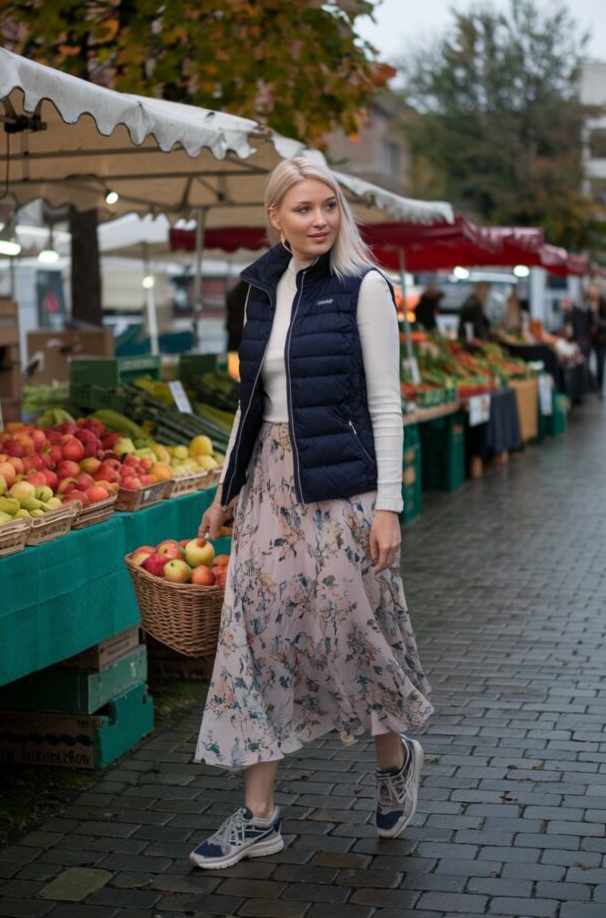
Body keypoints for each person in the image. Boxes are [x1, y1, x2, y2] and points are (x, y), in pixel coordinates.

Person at [189, 157, 433, 871]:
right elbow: (250, 403)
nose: (321, 219)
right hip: (268, 485)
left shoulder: (366, 287)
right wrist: (224, 491)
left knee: (357, 628)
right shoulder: (262, 289)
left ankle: (394, 760)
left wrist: (387, 507)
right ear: (276, 217)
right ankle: (259, 815)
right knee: (253, 638)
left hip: (343, 491)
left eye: (329, 205)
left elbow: (387, 404)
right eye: (304, 208)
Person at [225, 279, 249, 353]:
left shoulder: (235, 293)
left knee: (233, 357)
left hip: (234, 332)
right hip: (242, 331)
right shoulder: (248, 289)